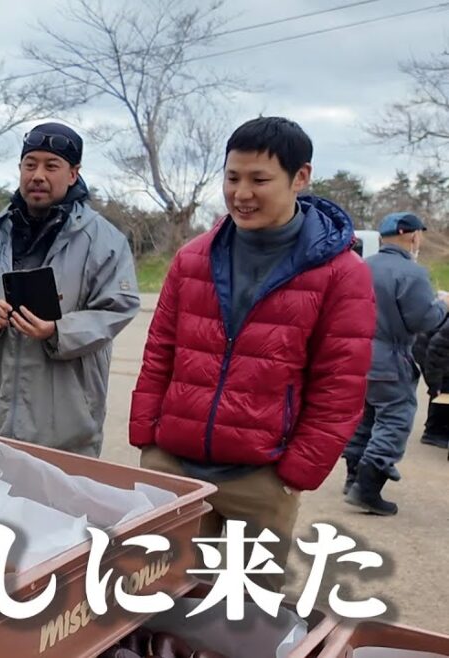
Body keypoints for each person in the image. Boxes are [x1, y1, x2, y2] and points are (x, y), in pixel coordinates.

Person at [129, 116, 376, 593]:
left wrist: (296, 471)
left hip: (262, 476)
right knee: (157, 600)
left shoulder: (342, 274)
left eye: (259, 180)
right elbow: (161, 351)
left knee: (248, 612)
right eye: (233, 177)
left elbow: (340, 386)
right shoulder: (193, 258)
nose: (242, 193)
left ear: (300, 177)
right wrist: (149, 440)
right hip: (174, 468)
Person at [0, 122, 140, 456]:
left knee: (61, 505)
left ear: (73, 174)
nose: (38, 175)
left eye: (51, 165)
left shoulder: (103, 240)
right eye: (30, 164)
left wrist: (58, 330)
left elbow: (118, 308)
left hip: (66, 421)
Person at [343, 212, 449, 515]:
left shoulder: (363, 267)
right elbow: (422, 319)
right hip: (391, 357)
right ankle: (367, 486)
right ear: (413, 236)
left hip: (357, 355)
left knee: (364, 417)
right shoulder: (412, 273)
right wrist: (442, 305)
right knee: (395, 418)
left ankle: (352, 478)